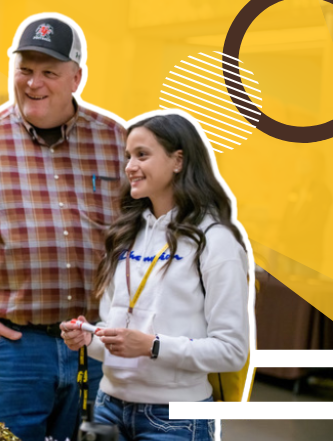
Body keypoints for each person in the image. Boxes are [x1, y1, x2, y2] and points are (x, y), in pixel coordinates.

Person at [0, 13, 126, 441]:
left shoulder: (118, 142)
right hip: (12, 352)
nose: (34, 83)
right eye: (25, 70)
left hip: (99, 347)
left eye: (49, 72)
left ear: (77, 78)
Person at [61, 112, 250, 441]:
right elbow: (117, 339)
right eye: (128, 156)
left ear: (178, 160)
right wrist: (90, 339)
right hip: (108, 407)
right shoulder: (126, 236)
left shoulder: (216, 241)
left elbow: (232, 351)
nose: (129, 166)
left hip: (177, 418)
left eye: (142, 155)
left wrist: (154, 346)